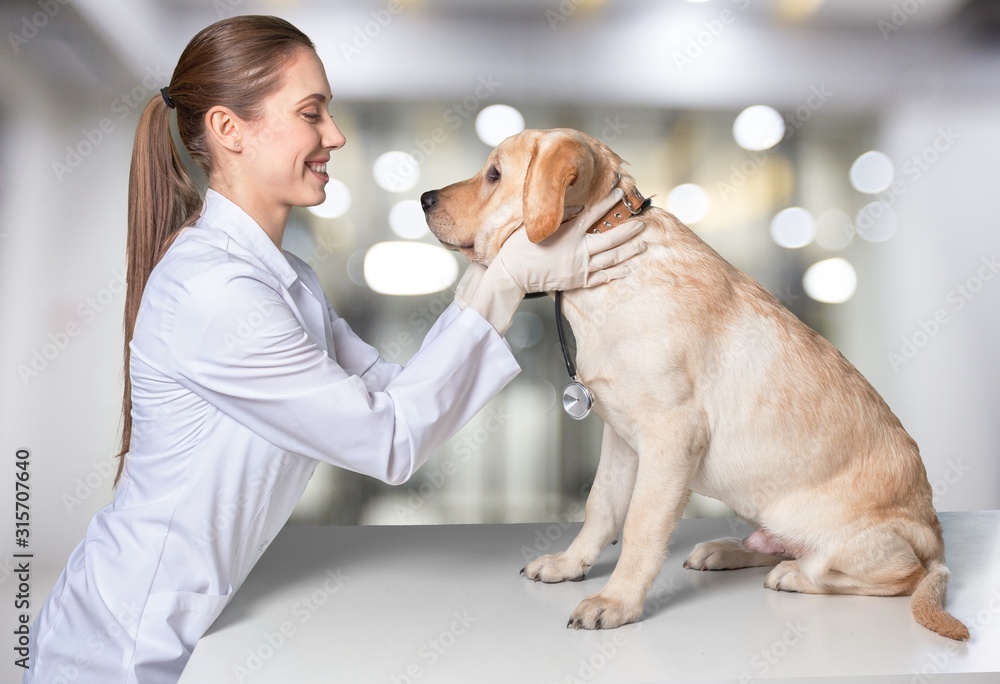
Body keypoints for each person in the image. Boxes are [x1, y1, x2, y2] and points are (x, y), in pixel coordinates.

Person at [24, 15, 645, 683]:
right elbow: (391, 442)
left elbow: (392, 391)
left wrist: (494, 262)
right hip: (115, 647)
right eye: (311, 114)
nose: (336, 136)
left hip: (180, 624)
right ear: (229, 130)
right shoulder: (215, 292)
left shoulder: (284, 279)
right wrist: (507, 278)